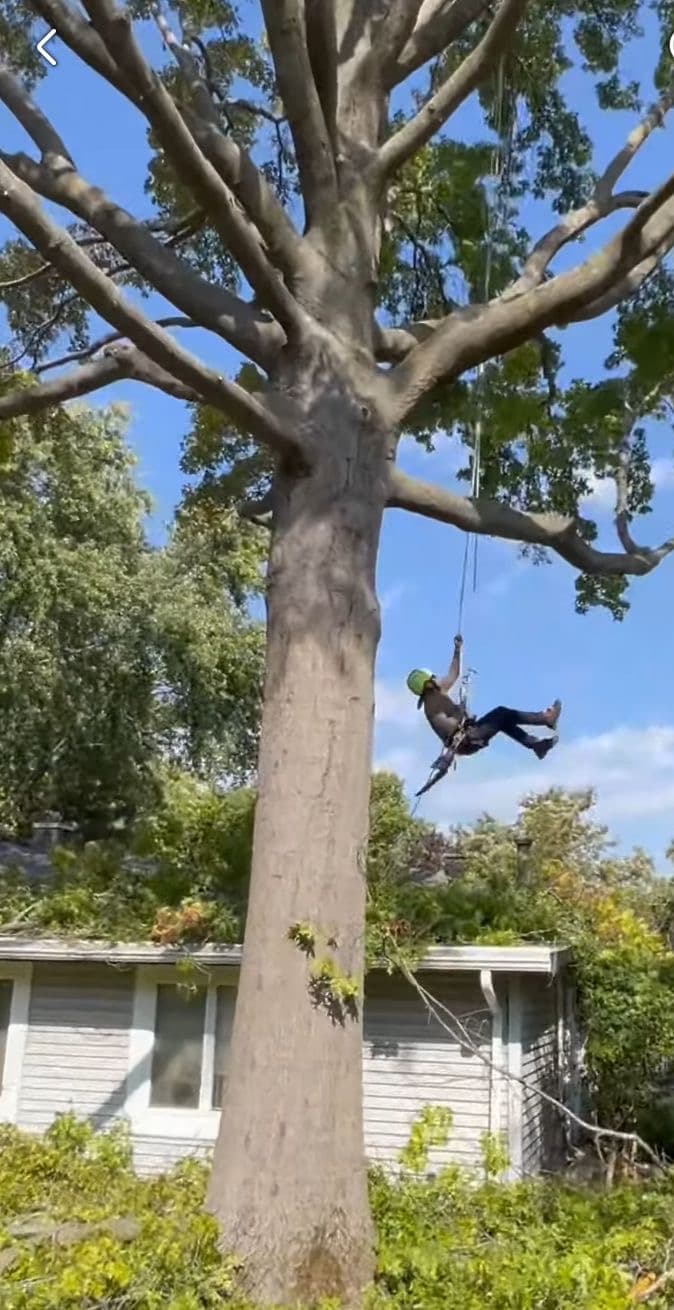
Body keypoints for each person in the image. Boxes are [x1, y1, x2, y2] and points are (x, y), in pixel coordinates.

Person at [406, 636, 561, 762]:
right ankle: (545, 718)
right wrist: (461, 713)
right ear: (427, 685)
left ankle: (536, 745)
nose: (435, 678)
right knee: (501, 713)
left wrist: (457, 650)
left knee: (503, 721)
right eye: (432, 678)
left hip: (468, 735)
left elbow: (453, 675)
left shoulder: (437, 692)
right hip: (466, 739)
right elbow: (451, 726)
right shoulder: (432, 704)